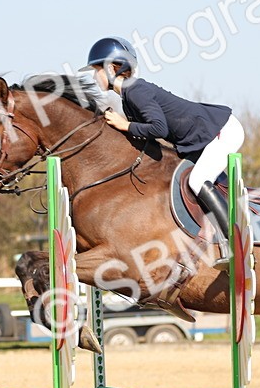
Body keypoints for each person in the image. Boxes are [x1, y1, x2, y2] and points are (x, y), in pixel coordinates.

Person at [80, 36, 244, 269]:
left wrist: (124, 125)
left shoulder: (135, 91)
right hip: (200, 141)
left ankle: (236, 245)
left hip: (220, 130)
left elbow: (159, 128)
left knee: (198, 180)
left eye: (96, 69)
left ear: (111, 67)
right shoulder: (128, 98)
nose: (94, 76)